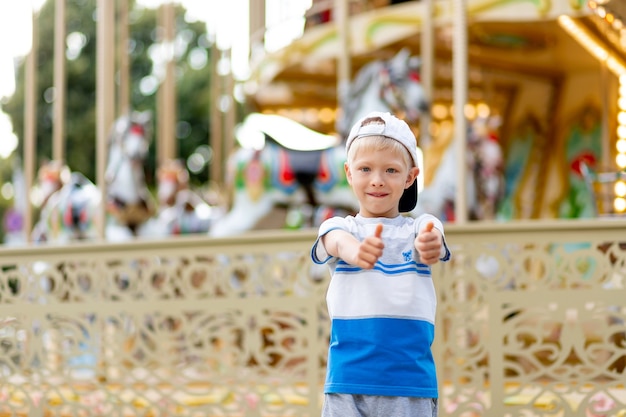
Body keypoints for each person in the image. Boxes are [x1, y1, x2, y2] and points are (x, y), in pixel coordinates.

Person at [311, 111, 451, 417]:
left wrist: (431, 245)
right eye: (365, 169)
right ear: (349, 173)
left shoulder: (418, 227)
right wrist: (356, 251)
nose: (377, 181)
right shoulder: (341, 228)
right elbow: (334, 241)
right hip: (348, 382)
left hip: (410, 385)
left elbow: (433, 236)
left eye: (390, 170)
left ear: (410, 177)